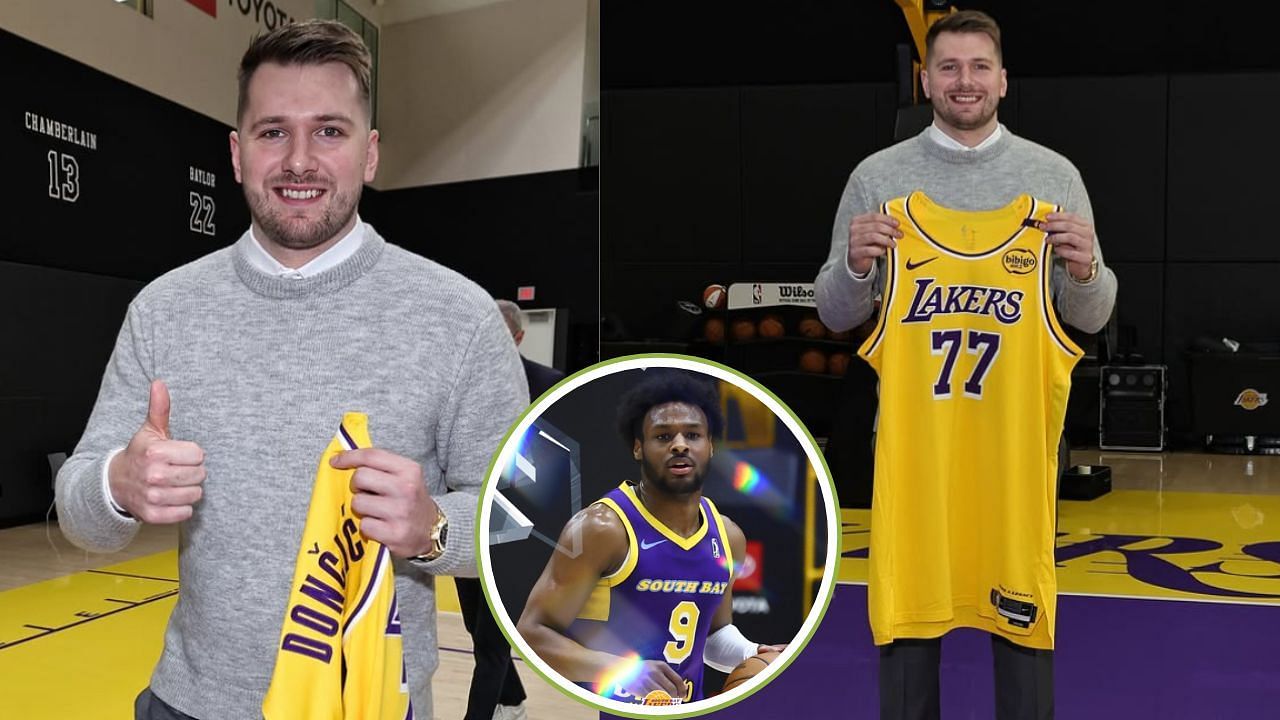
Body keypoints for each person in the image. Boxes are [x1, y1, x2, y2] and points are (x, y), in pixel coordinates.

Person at [53, 20, 527, 720]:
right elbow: (78, 511)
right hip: (191, 703)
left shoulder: (458, 317)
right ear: (238, 154)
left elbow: (521, 525)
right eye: (273, 132)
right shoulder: (165, 308)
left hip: (370, 706)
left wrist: (433, 528)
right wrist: (116, 484)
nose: (299, 160)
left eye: (329, 132)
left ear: (369, 155)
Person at [813, 10, 1117, 720]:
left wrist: (1087, 265)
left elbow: (1093, 314)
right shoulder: (877, 180)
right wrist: (855, 265)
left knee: (1021, 665)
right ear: (925, 80)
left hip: (1013, 473)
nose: (965, 81)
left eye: (980, 66)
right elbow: (833, 310)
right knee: (911, 657)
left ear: (1004, 80)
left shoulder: (1054, 178)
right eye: (948, 67)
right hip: (918, 478)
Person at [516, 369, 779, 706]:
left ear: (710, 446)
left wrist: (751, 651)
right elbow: (533, 633)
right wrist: (621, 670)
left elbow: (711, 636)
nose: (680, 444)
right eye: (663, 436)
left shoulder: (729, 536)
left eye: (693, 435)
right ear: (638, 448)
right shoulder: (602, 528)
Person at [452, 299, 567, 720]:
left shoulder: (547, 382)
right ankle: (513, 701)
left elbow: (559, 460)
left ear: (518, 337)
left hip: (517, 530)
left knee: (493, 640)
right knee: (475, 629)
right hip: (467, 521)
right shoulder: (461, 383)